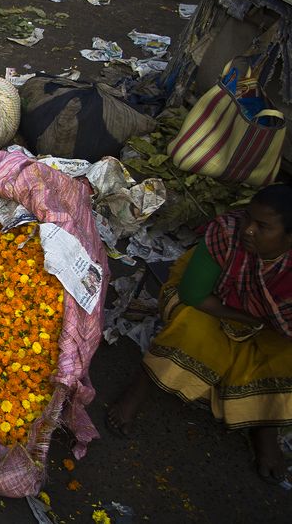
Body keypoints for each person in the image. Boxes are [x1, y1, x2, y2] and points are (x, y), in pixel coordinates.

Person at [106, 184, 292, 484]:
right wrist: (244, 318)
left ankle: (264, 428)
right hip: (212, 303)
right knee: (192, 329)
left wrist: (260, 325)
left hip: (267, 324)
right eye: (248, 219)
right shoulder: (226, 233)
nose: (248, 230)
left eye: (263, 227)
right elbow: (194, 294)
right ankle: (139, 389)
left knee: (284, 357)